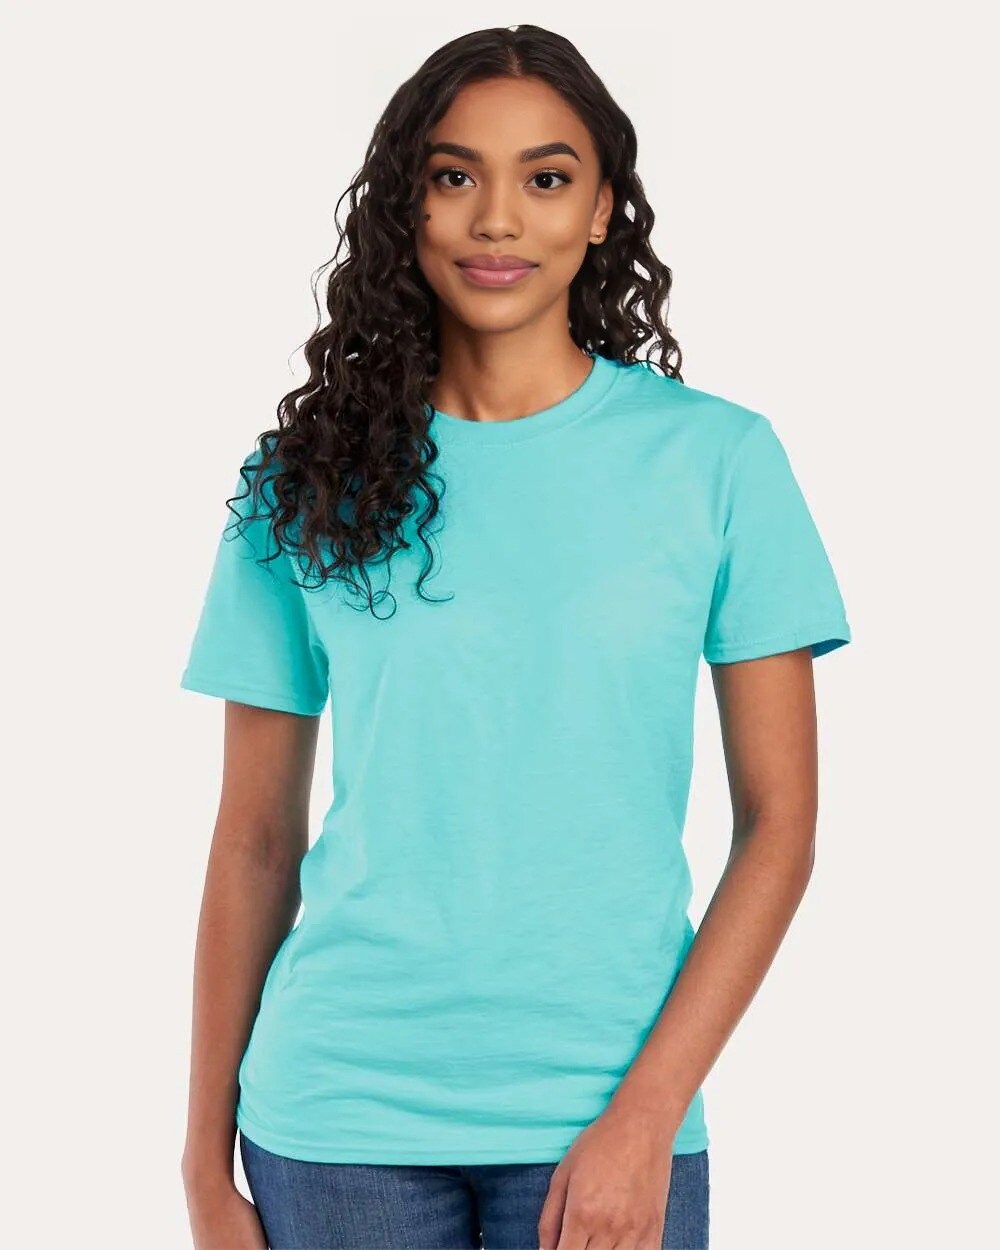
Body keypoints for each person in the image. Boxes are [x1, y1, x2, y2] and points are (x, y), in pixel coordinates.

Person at [178, 23, 852, 1250]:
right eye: (454, 176)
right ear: (407, 206)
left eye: (545, 177)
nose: (497, 218)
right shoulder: (303, 477)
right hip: (334, 1113)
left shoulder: (717, 461)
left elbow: (780, 827)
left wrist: (646, 1114)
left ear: (600, 209)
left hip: (607, 1108)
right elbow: (256, 837)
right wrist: (198, 1161)